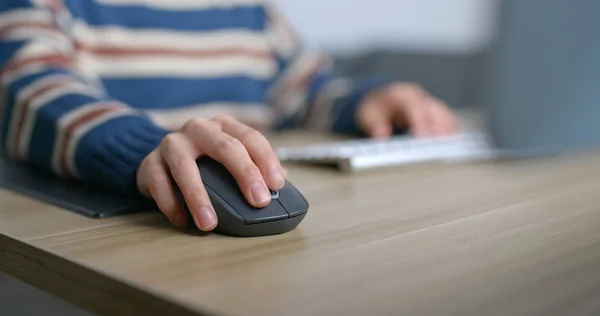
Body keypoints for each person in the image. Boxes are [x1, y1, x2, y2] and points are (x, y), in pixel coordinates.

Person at [0, 0, 459, 232]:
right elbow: (32, 89)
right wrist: (144, 148)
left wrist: (366, 100)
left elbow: (306, 89)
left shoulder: (250, 12)